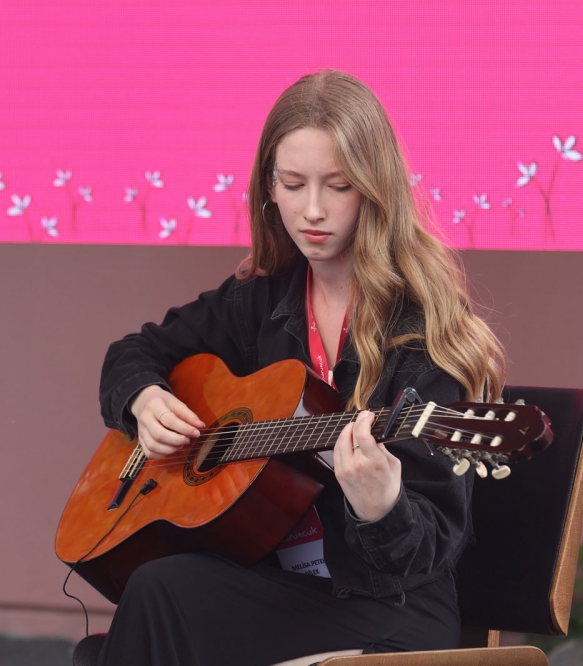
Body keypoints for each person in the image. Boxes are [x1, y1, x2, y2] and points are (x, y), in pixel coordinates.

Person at [96, 69, 505, 666]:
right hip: (280, 586)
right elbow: (135, 352)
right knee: (158, 588)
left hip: (388, 604)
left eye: (338, 186)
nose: (312, 210)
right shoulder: (261, 301)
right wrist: (144, 398)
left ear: (376, 189)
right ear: (270, 187)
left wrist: (382, 508)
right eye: (293, 184)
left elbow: (427, 552)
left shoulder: (428, 333)